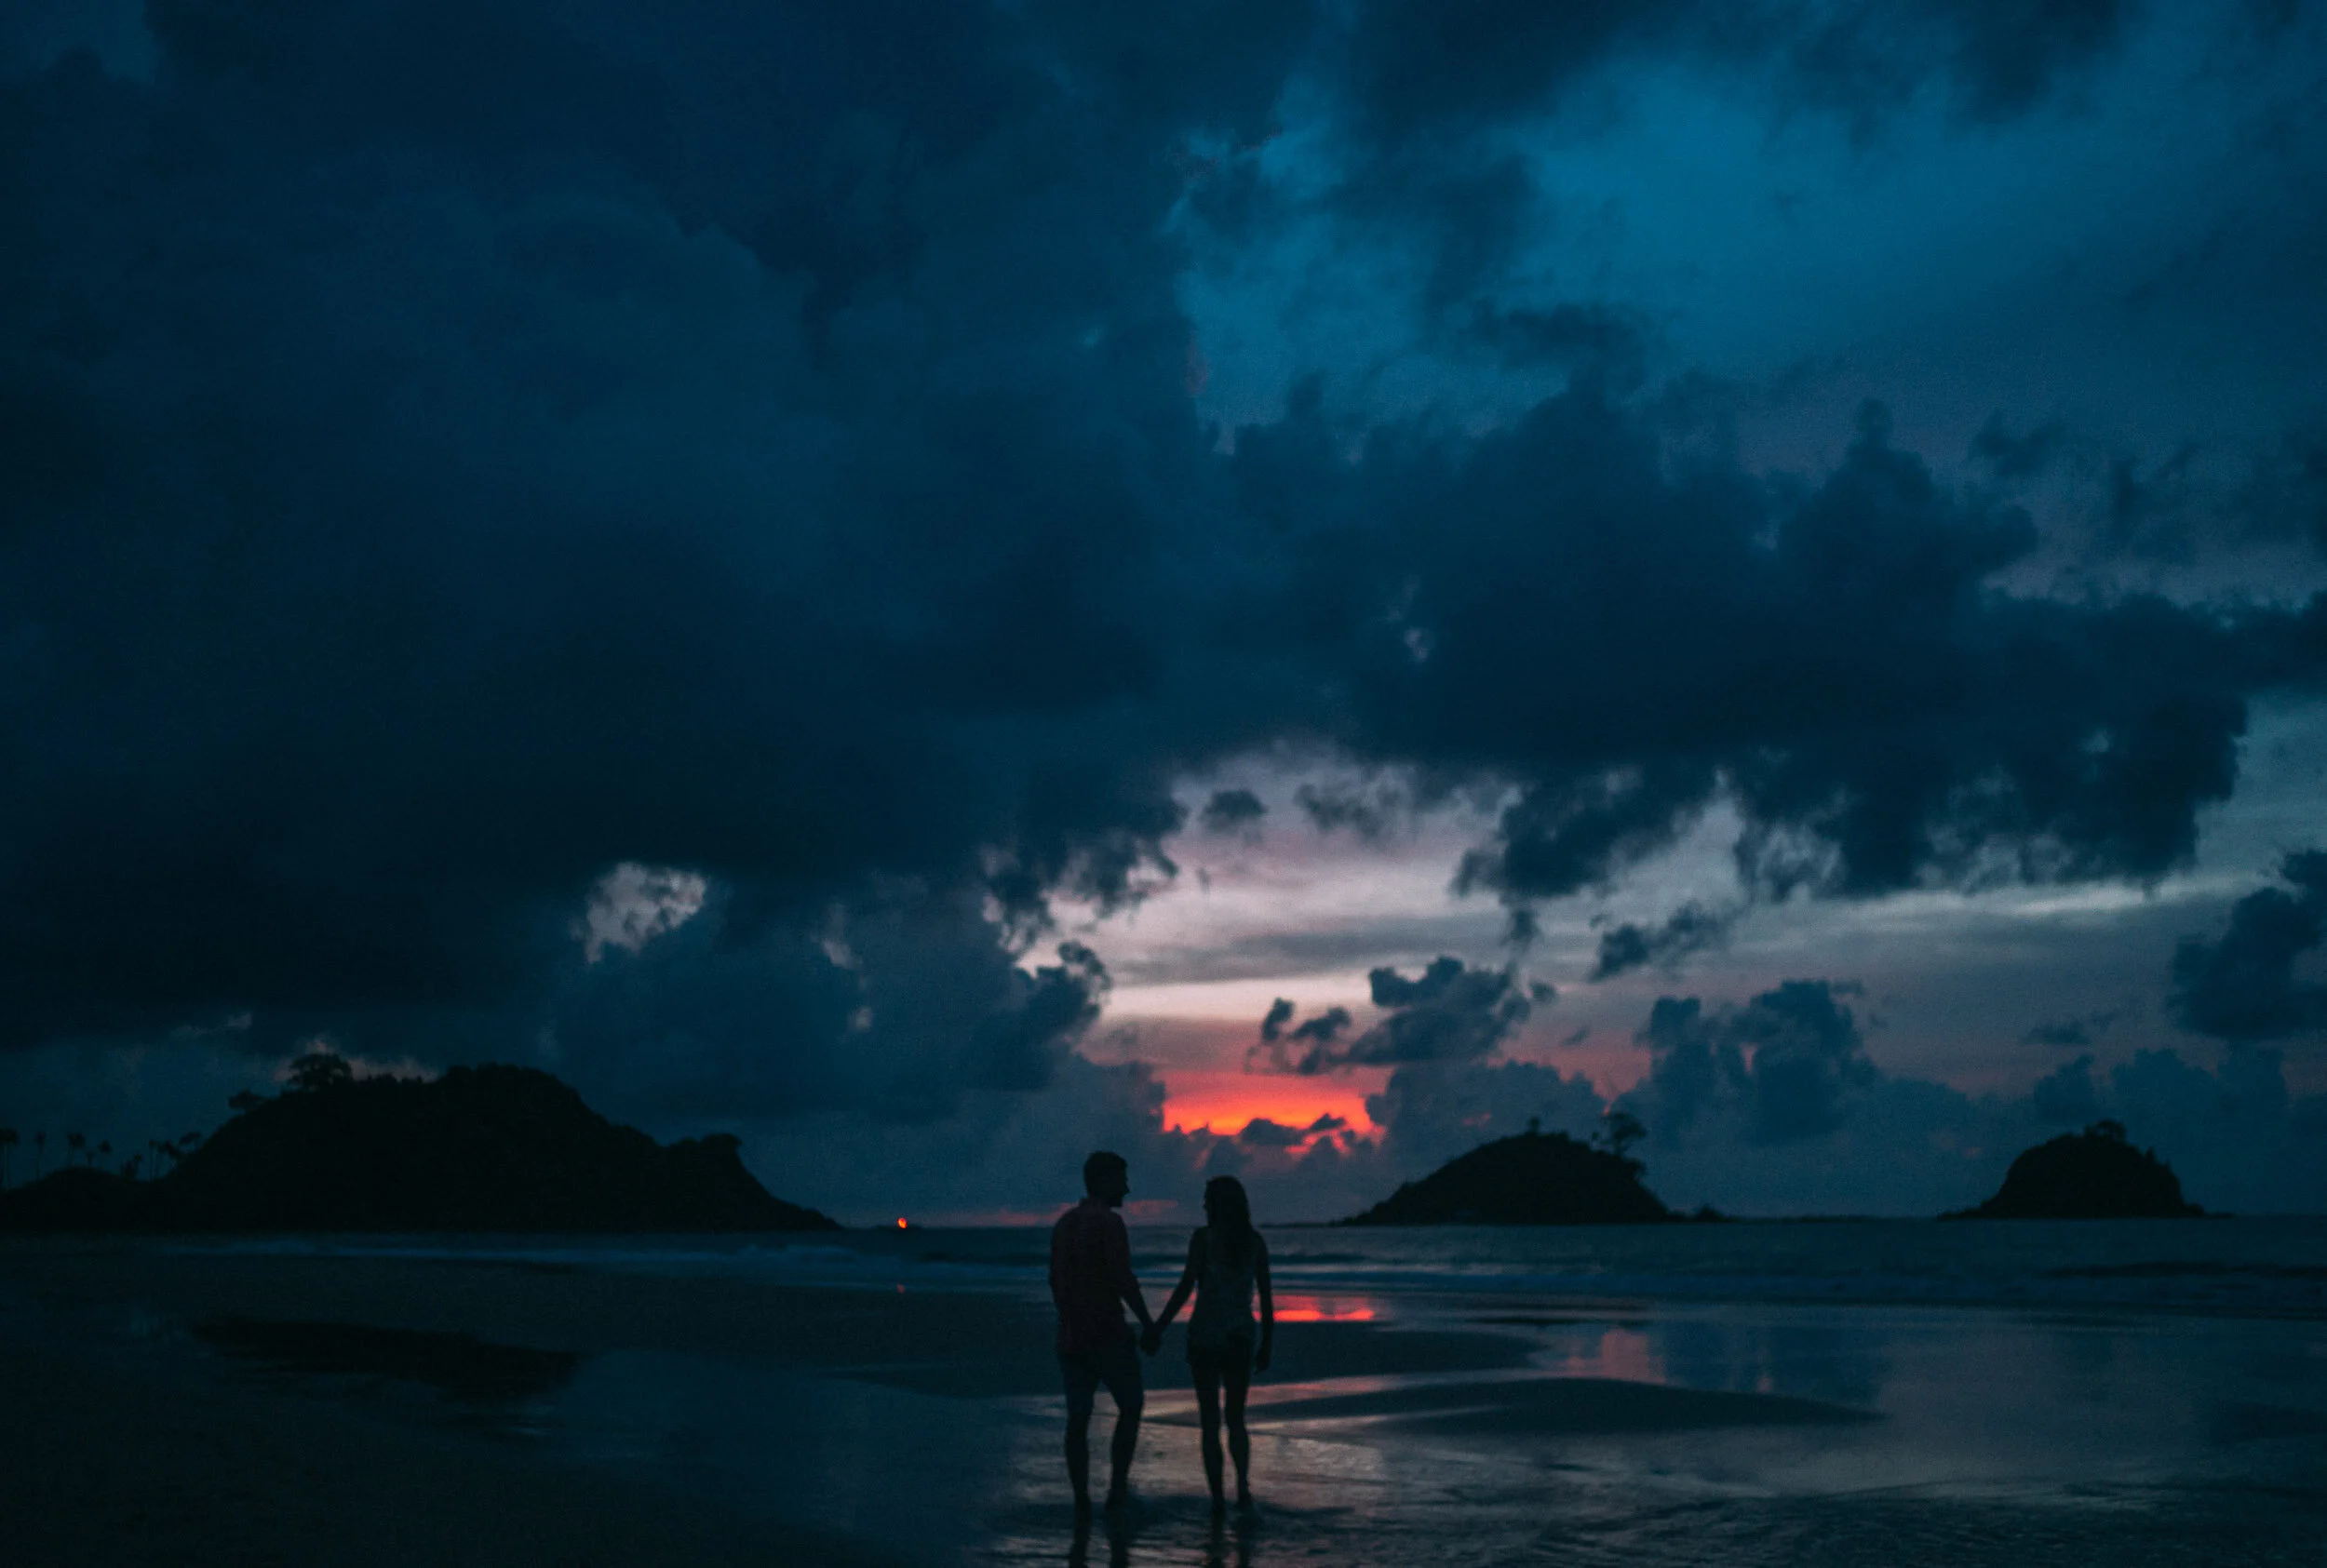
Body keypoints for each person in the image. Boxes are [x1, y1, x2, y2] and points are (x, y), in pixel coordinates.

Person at [1142, 1174, 1273, 1516]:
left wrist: (1158, 1326)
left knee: (1210, 1422)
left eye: (1207, 1199)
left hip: (1205, 1337)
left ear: (1217, 1204)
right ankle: (1242, 1489)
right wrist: (1268, 1343)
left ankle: (1218, 1499)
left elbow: (1186, 1286)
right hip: (1241, 1337)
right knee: (1236, 1418)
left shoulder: (1203, 1240)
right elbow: (1267, 1298)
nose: (1202, 1205)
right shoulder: (1255, 1242)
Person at [1050, 1149, 1156, 1515]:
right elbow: (1122, 1280)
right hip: (1108, 1335)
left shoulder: (1064, 1224)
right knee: (1131, 1406)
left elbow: (1056, 1281)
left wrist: (1069, 1317)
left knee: (1078, 1418)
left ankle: (1081, 1498)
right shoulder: (1109, 1225)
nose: (1127, 1188)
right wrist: (1148, 1323)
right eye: (1121, 1180)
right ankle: (1116, 1490)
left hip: (1071, 1338)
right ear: (1104, 1181)